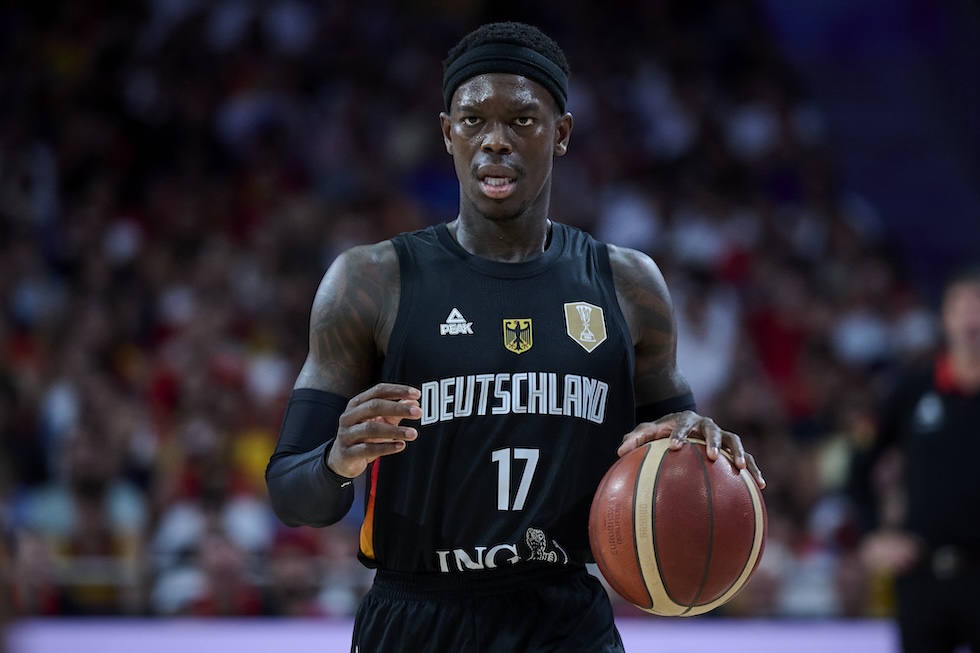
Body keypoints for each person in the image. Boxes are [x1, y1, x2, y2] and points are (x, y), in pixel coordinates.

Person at [265, 21, 765, 652]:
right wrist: (337, 460)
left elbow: (676, 439)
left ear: (561, 133)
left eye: (522, 121)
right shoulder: (369, 281)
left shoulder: (629, 284)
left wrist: (702, 438)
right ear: (447, 133)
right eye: (473, 121)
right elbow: (292, 493)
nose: (494, 141)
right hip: (418, 616)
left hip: (562, 617)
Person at [849, 264, 980, 652]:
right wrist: (872, 534)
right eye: (962, 306)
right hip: (922, 575)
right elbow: (858, 467)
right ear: (944, 317)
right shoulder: (911, 392)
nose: (972, 317)